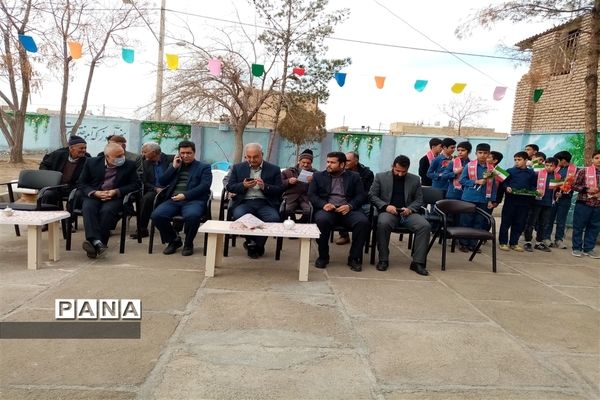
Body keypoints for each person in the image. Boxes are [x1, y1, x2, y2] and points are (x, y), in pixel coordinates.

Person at [369, 155, 431, 275]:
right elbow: (372, 196)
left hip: (407, 213)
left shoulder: (414, 179)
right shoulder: (380, 177)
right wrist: (386, 206)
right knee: (383, 223)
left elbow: (419, 199)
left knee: (425, 226)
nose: (400, 174)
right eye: (397, 171)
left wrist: (410, 209)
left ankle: (417, 263)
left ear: (407, 169)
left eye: (404, 171)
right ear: (393, 166)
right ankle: (383, 259)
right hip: (388, 211)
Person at [308, 152, 369, 271]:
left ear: (342, 164)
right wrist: (324, 204)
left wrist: (350, 206)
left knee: (363, 222)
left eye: (332, 162)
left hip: (348, 211)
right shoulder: (318, 176)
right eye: (328, 162)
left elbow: (361, 196)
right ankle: (323, 256)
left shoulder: (354, 177)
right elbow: (311, 195)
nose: (328, 165)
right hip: (328, 210)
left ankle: (354, 258)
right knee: (321, 220)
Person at [78, 142, 140, 258]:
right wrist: (95, 193)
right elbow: (82, 183)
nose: (122, 158)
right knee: (88, 208)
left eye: (122, 155)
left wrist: (116, 191)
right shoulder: (92, 162)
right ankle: (98, 243)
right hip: (95, 194)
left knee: (107, 211)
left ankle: (95, 242)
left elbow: (136, 185)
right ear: (107, 156)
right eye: (118, 156)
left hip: (115, 197)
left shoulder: (129, 165)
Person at [151, 140, 211, 256]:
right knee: (157, 215)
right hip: (173, 200)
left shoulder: (204, 167)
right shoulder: (174, 165)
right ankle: (173, 240)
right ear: (179, 153)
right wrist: (173, 167)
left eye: (188, 153)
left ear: (194, 153)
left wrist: (185, 195)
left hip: (194, 200)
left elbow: (205, 186)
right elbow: (162, 182)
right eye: (182, 153)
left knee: (193, 216)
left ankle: (188, 243)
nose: (185, 156)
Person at [226, 143, 284, 259]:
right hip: (244, 202)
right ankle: (252, 242)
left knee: (273, 219)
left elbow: (279, 190)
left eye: (255, 157)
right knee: (240, 215)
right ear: (245, 156)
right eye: (249, 157)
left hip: (265, 203)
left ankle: (257, 244)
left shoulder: (274, 169)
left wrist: (264, 187)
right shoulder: (238, 167)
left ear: (262, 155)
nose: (252, 160)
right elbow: (230, 186)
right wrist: (243, 185)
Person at [459, 143, 496, 252]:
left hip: (483, 199)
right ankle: (464, 244)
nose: (482, 155)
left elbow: (493, 185)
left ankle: (473, 244)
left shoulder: (491, 169)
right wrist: (476, 181)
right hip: (469, 198)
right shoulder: (469, 166)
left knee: (479, 222)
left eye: (485, 153)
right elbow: (462, 180)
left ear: (489, 154)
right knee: (466, 221)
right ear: (476, 153)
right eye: (480, 153)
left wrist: (491, 200)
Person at [132, 142, 173, 239]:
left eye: (145, 152)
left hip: (171, 190)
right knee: (146, 199)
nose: (142, 154)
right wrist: (155, 188)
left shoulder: (171, 160)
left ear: (154, 152)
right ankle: (142, 230)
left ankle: (175, 229)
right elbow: (145, 181)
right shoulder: (145, 163)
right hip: (154, 190)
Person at [498, 151, 537, 251]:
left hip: (524, 202)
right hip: (510, 201)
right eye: (515, 160)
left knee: (520, 223)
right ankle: (503, 242)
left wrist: (535, 192)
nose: (516, 162)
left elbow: (533, 186)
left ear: (526, 160)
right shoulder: (510, 171)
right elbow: (503, 183)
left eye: (519, 160)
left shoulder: (531, 173)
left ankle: (514, 243)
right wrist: (507, 187)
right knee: (506, 222)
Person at [38, 135, 90, 207]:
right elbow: (44, 165)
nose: (84, 150)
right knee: (48, 194)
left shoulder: (87, 159)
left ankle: (69, 217)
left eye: (85, 148)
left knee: (77, 195)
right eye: (81, 148)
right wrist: (50, 178)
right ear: (71, 148)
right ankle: (51, 216)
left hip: (74, 188)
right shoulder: (58, 154)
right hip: (56, 186)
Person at [336, 151, 374, 245]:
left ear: (356, 162)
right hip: (345, 200)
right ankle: (344, 235)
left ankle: (363, 235)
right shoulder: (340, 170)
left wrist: (354, 203)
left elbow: (366, 192)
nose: (345, 163)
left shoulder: (367, 173)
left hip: (362, 201)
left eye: (348, 161)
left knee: (372, 211)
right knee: (339, 206)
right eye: (344, 160)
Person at [523, 157, 559, 252]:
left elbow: (558, 189)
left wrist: (558, 194)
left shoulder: (558, 176)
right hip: (536, 201)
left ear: (556, 167)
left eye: (551, 166)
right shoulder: (538, 173)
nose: (549, 167)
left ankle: (539, 242)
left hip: (549, 203)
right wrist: (535, 190)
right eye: (547, 165)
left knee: (544, 223)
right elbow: (531, 185)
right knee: (531, 222)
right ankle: (527, 242)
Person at [544, 151, 578, 249]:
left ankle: (559, 240)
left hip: (566, 198)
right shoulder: (556, 169)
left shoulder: (575, 170)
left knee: (561, 220)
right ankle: (546, 238)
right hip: (553, 197)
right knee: (549, 218)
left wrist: (567, 189)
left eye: (557, 160)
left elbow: (576, 185)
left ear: (563, 160)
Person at [571, 150, 600, 258]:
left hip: (598, 205)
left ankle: (589, 248)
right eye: (597, 158)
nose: (599, 160)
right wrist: (586, 189)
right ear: (592, 159)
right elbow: (573, 185)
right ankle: (577, 248)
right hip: (584, 203)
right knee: (578, 226)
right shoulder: (584, 171)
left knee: (594, 227)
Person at [281, 149, 316, 223]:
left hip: (306, 198)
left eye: (308, 163)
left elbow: (321, 188)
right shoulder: (288, 171)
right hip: (291, 197)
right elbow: (279, 184)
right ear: (299, 161)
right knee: (287, 209)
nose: (305, 165)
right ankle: (292, 223)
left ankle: (301, 224)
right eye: (303, 162)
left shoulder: (316, 173)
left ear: (311, 163)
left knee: (308, 210)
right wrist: (288, 181)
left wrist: (313, 182)